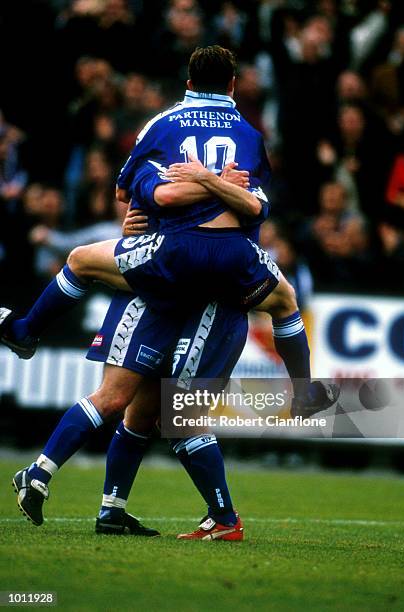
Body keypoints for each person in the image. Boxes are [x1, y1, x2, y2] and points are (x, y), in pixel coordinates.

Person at [2, 46, 339, 538]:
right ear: (233, 84)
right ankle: (301, 393)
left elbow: (144, 195)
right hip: (227, 268)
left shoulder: (160, 127)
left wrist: (182, 187)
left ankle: (27, 333)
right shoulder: (248, 135)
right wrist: (219, 183)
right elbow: (255, 205)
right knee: (153, 403)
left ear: (187, 79)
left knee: (84, 274)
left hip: (168, 260)